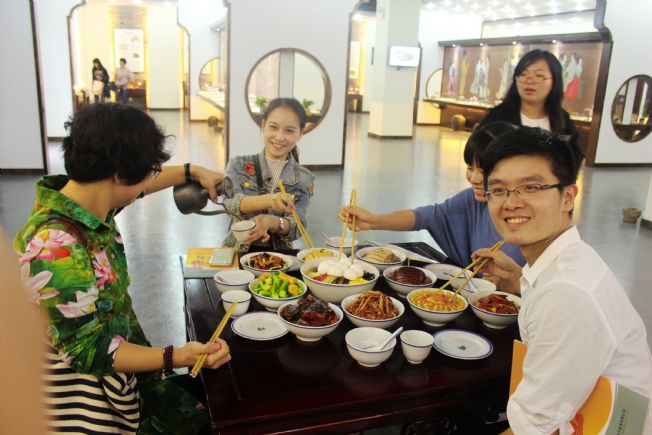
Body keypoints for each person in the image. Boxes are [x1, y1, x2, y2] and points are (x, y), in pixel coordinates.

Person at [13, 103, 230, 434]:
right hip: (91, 401)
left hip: (127, 372)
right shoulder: (56, 247)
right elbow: (89, 351)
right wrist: (176, 356)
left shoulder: (86, 203)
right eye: (148, 170)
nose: (149, 181)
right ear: (117, 174)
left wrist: (193, 171)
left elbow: (138, 187)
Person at [474, 127, 652, 434]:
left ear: (567, 196)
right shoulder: (569, 261)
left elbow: (533, 428)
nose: (511, 203)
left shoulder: (567, 294)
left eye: (531, 187)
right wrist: (519, 281)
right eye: (499, 190)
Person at [339, 122, 526, 290]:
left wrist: (519, 283)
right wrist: (374, 221)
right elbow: (426, 216)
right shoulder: (472, 199)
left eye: (484, 171)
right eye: (470, 168)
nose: (474, 178)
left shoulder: (530, 217)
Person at [222, 97, 315, 249]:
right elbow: (230, 203)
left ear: (300, 134)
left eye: (289, 130)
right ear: (263, 125)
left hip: (280, 258)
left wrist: (273, 222)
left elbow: (298, 226)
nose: (279, 137)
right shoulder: (238, 164)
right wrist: (270, 200)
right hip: (238, 252)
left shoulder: (304, 178)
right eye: (273, 127)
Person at [479, 49, 580, 169]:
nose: (529, 80)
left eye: (539, 75)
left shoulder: (563, 120)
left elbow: (574, 157)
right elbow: (478, 153)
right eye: (523, 74)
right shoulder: (497, 117)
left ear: (554, 81)